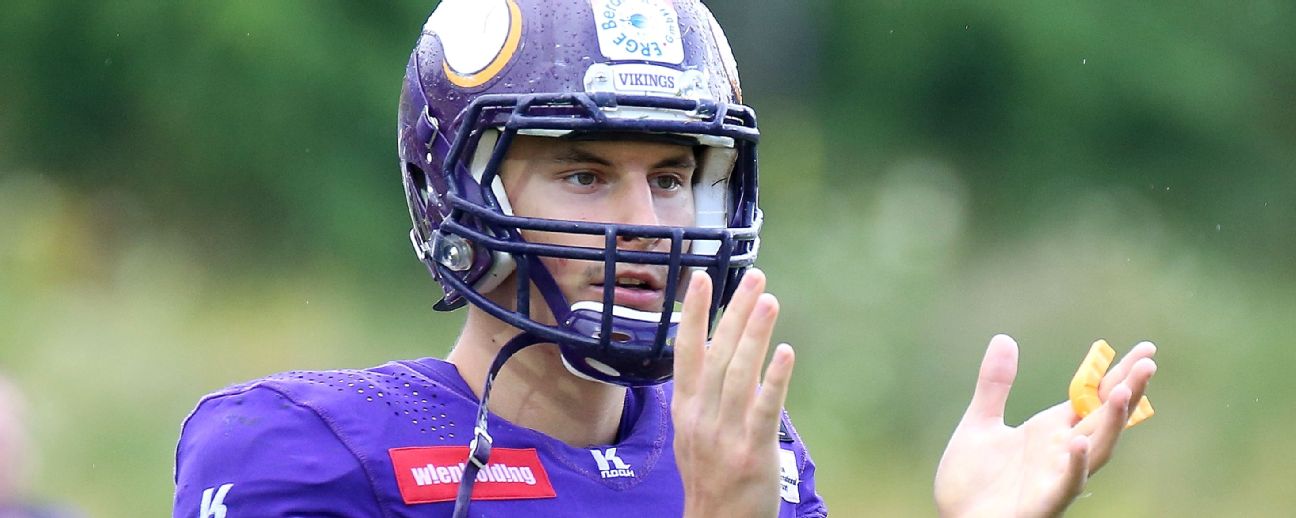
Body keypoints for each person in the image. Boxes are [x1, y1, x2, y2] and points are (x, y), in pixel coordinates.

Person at [172, 1, 1157, 517]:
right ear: (464, 191)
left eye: (676, 174)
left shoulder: (744, 453)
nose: (649, 220)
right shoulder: (301, 453)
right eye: (588, 174)